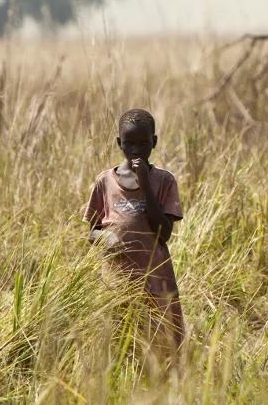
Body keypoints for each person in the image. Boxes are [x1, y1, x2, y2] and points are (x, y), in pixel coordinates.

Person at [85, 108, 184, 353]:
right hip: (117, 279)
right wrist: (105, 237)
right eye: (129, 144)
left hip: (154, 278)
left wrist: (146, 184)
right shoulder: (104, 182)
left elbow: (164, 233)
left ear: (155, 142)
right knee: (120, 339)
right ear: (119, 143)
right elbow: (91, 233)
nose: (137, 150)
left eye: (144, 143)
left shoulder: (164, 181)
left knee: (161, 340)